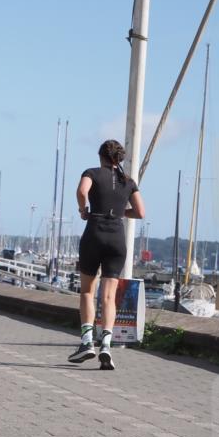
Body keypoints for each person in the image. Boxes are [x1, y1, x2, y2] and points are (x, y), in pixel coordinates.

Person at [67, 139, 145, 370]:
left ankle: (87, 342)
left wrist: (84, 210)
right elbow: (140, 212)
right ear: (119, 159)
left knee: (87, 292)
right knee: (109, 297)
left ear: (101, 156)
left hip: (95, 233)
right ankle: (106, 346)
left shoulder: (91, 172)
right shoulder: (128, 182)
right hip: (117, 238)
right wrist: (121, 213)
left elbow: (82, 191)